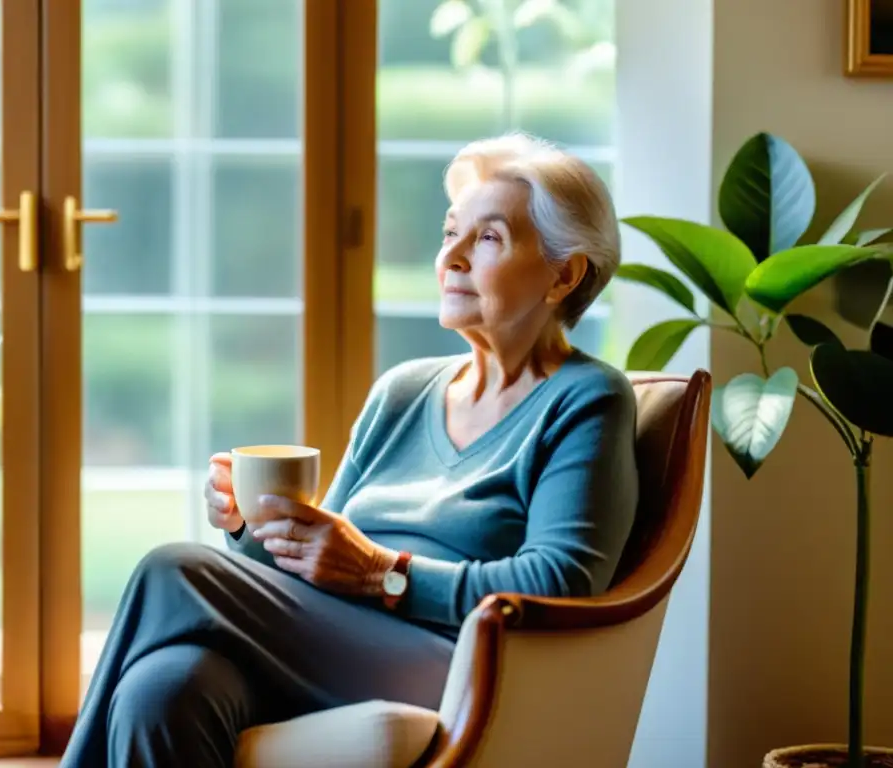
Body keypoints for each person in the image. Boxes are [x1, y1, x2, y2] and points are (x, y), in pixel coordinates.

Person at [60, 132, 639, 768]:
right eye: (452, 233)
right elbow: (316, 565)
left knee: (173, 570)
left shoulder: (587, 398)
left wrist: (379, 572)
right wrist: (254, 529)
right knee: (162, 688)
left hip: (458, 660)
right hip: (339, 642)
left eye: (490, 238)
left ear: (565, 274)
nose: (453, 258)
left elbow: (563, 582)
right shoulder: (403, 391)